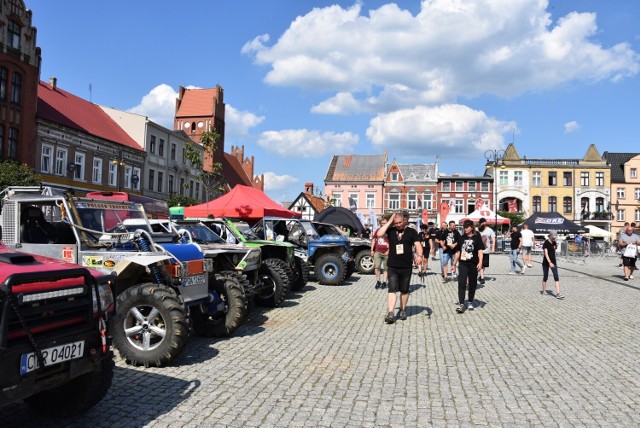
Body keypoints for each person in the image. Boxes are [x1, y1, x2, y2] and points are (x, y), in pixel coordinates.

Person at [376, 211, 422, 324]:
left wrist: (420, 256)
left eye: (400, 222)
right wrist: (390, 221)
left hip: (406, 266)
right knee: (392, 289)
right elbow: (379, 234)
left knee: (404, 290)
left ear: (405, 221)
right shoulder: (391, 231)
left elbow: (418, 245)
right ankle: (391, 313)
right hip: (392, 266)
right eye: (396, 223)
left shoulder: (411, 232)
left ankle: (402, 309)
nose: (398, 225)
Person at [453, 220, 485, 313]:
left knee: (472, 284)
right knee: (461, 283)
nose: (465, 229)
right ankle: (461, 303)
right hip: (463, 263)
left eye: (467, 227)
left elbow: (480, 251)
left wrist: (480, 262)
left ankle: (470, 301)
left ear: (471, 227)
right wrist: (454, 264)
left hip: (473, 263)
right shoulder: (461, 238)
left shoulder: (477, 238)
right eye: (464, 227)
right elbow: (458, 251)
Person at [542, 230, 564, 299]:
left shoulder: (554, 243)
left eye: (555, 237)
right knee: (545, 277)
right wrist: (549, 262)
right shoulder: (546, 243)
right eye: (553, 237)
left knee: (556, 277)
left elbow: (553, 251)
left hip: (553, 262)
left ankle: (558, 293)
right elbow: (546, 254)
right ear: (550, 235)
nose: (554, 238)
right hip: (546, 262)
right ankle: (544, 290)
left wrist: (552, 262)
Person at [371, 216, 390, 289]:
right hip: (378, 251)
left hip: (386, 252)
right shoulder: (378, 230)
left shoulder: (389, 231)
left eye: (385, 223)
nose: (383, 224)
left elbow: (392, 242)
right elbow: (374, 239)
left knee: (386, 268)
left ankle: (385, 282)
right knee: (377, 267)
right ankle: (378, 281)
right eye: (382, 223)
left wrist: (389, 250)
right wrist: (372, 249)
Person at [477, 218, 495, 285]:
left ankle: (481, 275)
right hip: (478, 251)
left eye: (484, 222)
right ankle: (482, 277)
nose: (483, 224)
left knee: (484, 265)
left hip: (486, 250)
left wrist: (493, 247)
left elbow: (493, 239)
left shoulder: (489, 230)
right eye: (481, 223)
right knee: (480, 264)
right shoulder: (477, 230)